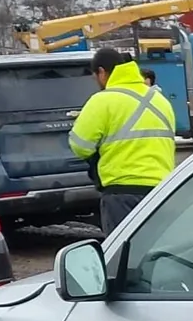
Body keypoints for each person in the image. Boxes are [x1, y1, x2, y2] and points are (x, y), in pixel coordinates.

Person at [69, 46, 176, 237]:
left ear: (102, 72)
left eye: (95, 77)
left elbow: (80, 146)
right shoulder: (160, 100)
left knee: (122, 252)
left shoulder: (102, 101)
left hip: (121, 193)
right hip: (161, 191)